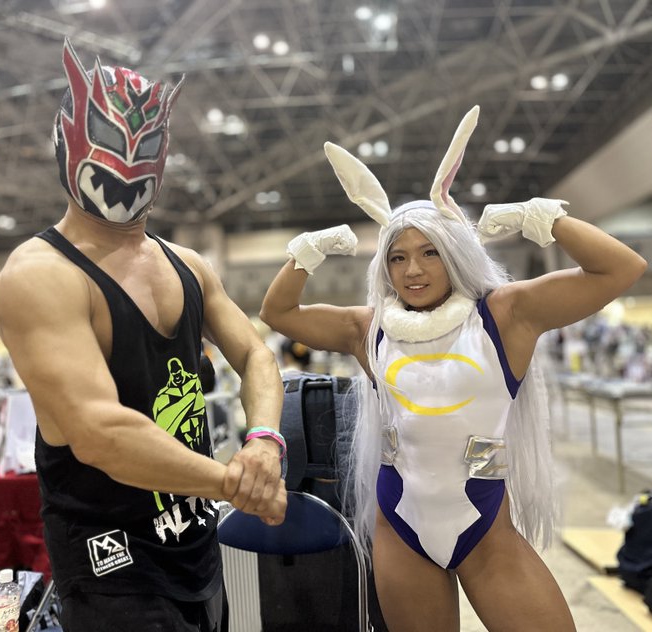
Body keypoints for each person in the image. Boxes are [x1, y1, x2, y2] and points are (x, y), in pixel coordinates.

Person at [260, 105, 647, 631]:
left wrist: (542, 218)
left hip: (485, 533)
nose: (413, 270)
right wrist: (307, 253)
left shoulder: (505, 314)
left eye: (430, 253)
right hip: (400, 529)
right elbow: (278, 313)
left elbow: (621, 268)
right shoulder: (369, 328)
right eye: (397, 257)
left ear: (455, 253)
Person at [0, 39, 286, 632]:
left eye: (144, 147)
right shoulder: (39, 276)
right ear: (69, 141)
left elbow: (255, 352)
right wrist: (234, 483)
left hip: (195, 544)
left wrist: (262, 441)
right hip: (110, 561)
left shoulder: (188, 264)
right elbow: (100, 433)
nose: (127, 165)